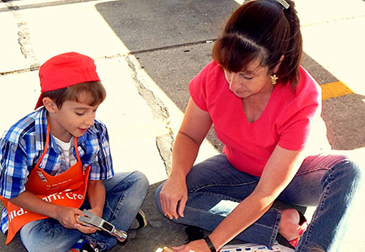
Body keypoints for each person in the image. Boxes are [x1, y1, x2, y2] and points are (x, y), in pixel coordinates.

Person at [155, 0, 362, 251]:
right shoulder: (213, 76)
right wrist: (177, 177)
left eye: (247, 75)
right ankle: (281, 220)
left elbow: (266, 190)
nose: (233, 83)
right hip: (241, 169)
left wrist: (211, 244)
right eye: (228, 69)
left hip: (297, 177)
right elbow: (189, 134)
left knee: (348, 171)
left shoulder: (301, 97)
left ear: (276, 65)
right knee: (168, 198)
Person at [0, 52, 149, 252]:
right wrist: (59, 212)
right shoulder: (20, 138)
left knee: (136, 180)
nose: (89, 120)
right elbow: (12, 193)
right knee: (42, 246)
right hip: (36, 206)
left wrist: (96, 210)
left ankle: (93, 240)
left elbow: (96, 181)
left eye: (94, 110)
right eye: (80, 112)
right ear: (50, 105)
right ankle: (111, 226)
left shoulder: (96, 130)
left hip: (78, 196)